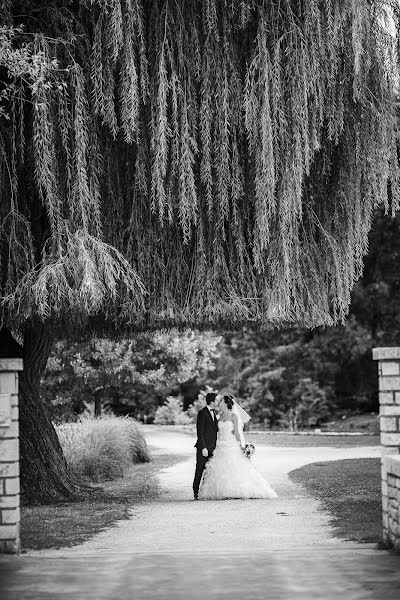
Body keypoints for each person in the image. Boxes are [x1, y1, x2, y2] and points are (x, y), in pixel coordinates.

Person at [198, 395, 277, 500]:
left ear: (226, 403)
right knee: (220, 469)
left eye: (221, 400)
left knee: (234, 467)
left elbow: (237, 433)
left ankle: (237, 491)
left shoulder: (234, 416)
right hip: (220, 446)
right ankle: (222, 491)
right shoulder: (219, 416)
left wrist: (242, 446)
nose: (219, 402)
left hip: (231, 445)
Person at [193, 392, 218, 500]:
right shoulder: (202, 413)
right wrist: (203, 447)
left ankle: (203, 492)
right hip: (204, 448)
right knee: (199, 469)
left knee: (209, 471)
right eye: (216, 400)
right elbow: (200, 433)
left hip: (213, 447)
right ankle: (195, 492)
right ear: (212, 401)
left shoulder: (215, 413)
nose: (217, 402)